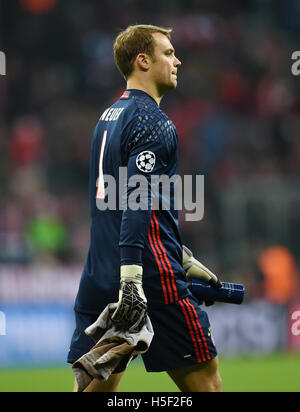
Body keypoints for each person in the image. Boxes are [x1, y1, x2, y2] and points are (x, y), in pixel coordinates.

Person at [67, 24, 222, 393]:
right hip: (147, 278)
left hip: (99, 270)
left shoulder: (109, 117)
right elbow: (137, 201)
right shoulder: (154, 121)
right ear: (143, 61)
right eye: (168, 53)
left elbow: (120, 203)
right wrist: (134, 281)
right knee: (207, 382)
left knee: (95, 386)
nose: (177, 60)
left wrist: (180, 253)